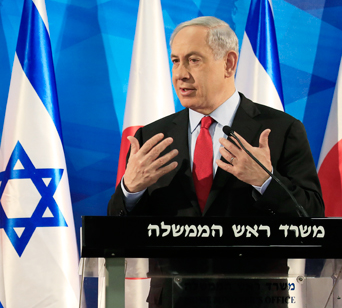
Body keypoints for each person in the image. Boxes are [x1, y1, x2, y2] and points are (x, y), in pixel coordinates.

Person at [108, 16, 324, 307]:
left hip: (254, 301)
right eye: (175, 61)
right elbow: (113, 234)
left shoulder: (281, 131)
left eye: (193, 60)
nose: (180, 74)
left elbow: (312, 218)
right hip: (173, 300)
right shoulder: (152, 136)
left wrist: (266, 181)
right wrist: (130, 190)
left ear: (229, 63)